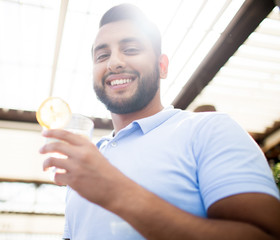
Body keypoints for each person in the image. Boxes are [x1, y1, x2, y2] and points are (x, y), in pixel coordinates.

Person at [40, 4, 280, 240]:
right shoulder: (87, 161)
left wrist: (115, 191)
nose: (114, 63)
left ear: (162, 66)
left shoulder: (210, 130)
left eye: (131, 49)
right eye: (102, 55)